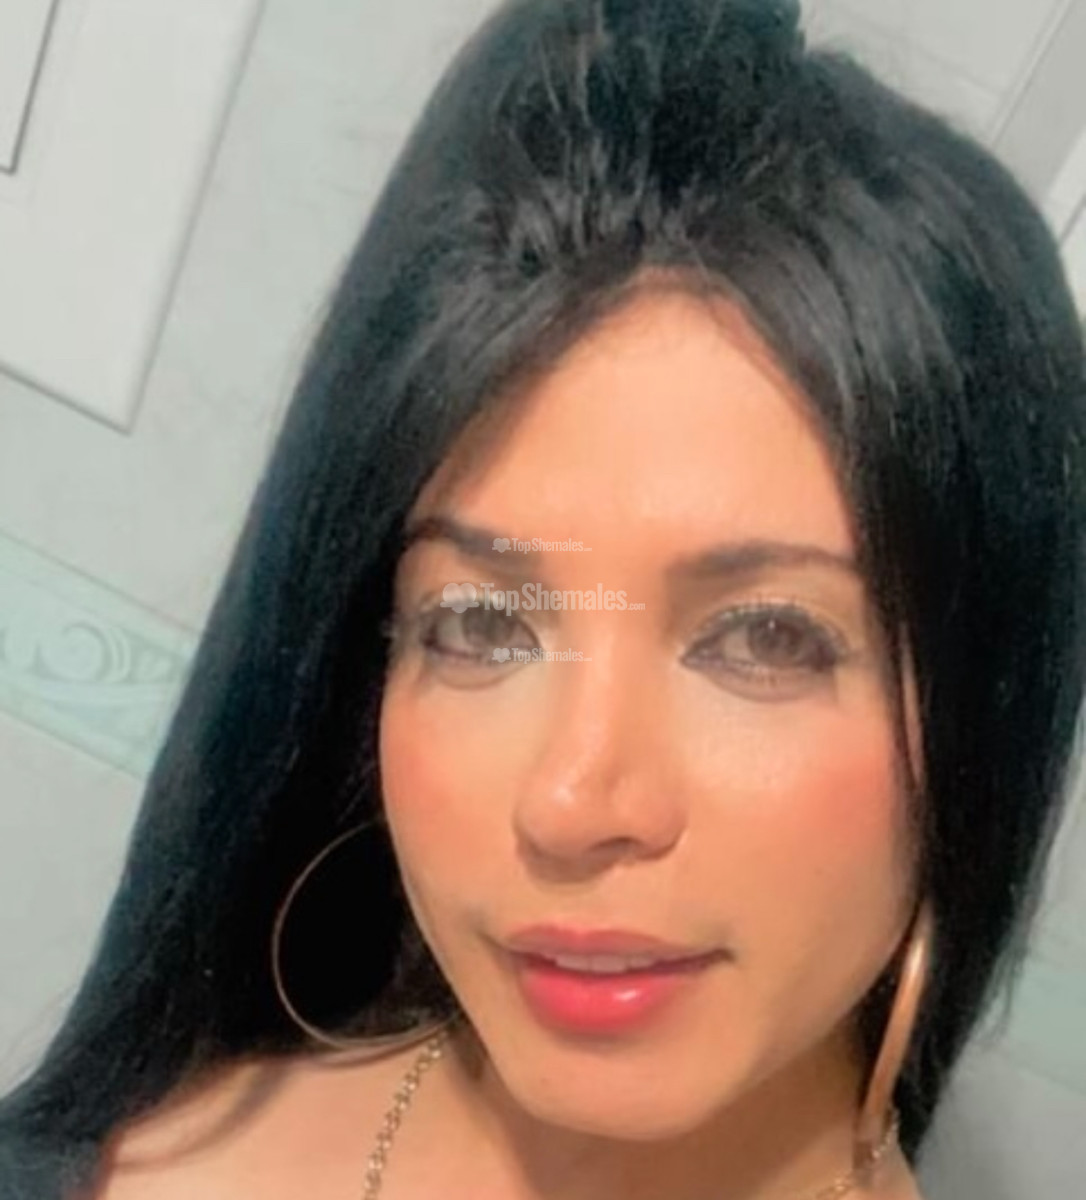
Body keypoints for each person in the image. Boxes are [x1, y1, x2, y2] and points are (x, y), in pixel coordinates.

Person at [2, 0, 1084, 1197]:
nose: (571, 802)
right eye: (480, 624)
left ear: (982, 724)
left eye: (767, 637)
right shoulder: (112, 1149)